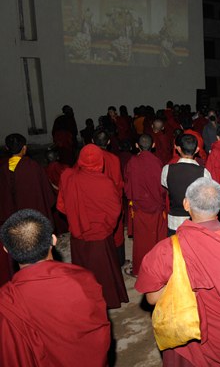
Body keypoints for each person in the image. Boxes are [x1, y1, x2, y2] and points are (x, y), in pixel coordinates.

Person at [135, 177, 220, 366]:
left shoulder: (166, 249)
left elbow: (152, 298)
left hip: (187, 336)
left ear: (186, 204)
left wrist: (180, 280)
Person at [0, 209, 111, 366]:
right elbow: (98, 335)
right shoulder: (82, 279)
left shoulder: (6, 302)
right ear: (53, 240)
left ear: (6, 250)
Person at [57, 144, 129, 309]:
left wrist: (77, 216)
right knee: (105, 272)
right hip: (101, 236)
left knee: (84, 271)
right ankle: (109, 299)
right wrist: (107, 228)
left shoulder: (69, 178)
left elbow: (61, 206)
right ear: (100, 162)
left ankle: (86, 300)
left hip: (78, 234)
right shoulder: (105, 183)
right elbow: (115, 211)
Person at [0, 133, 55, 286]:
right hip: (33, 221)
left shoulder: (3, 169)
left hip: (11, 223)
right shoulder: (32, 167)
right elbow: (47, 195)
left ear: (6, 148)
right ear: (24, 148)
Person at [124, 134, 168, 276]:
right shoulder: (157, 162)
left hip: (139, 208)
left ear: (137, 146)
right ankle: (160, 269)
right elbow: (163, 188)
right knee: (157, 239)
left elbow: (127, 184)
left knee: (141, 241)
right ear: (153, 145)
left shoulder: (132, 162)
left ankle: (141, 270)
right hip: (156, 207)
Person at [161, 134, 211, 236]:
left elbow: (166, 187)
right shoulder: (204, 172)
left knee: (175, 250)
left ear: (178, 149)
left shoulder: (167, 169)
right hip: (196, 221)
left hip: (174, 221)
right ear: (197, 150)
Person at [92, 129, 126, 265]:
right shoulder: (114, 159)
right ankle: (119, 260)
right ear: (109, 142)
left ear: (92, 141)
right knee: (116, 232)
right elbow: (118, 183)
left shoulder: (86, 160)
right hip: (112, 201)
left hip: (94, 202)